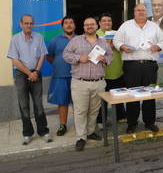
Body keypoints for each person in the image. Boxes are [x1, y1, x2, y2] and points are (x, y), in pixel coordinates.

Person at [113, 4, 163, 134]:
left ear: (146, 12)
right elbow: (116, 40)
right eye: (138, 10)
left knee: (149, 94)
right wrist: (122, 47)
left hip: (150, 65)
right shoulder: (126, 25)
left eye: (143, 10)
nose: (141, 12)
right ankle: (132, 123)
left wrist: (158, 47)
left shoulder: (154, 26)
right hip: (131, 66)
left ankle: (150, 123)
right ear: (134, 12)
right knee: (132, 95)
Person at [63, 17, 113, 151]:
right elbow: (65, 55)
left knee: (94, 110)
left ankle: (90, 132)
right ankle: (81, 137)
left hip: (98, 82)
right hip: (80, 82)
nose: (89, 26)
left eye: (92, 24)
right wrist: (79, 58)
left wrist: (105, 59)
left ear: (97, 26)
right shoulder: (75, 41)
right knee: (80, 111)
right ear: (84, 27)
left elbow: (110, 57)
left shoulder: (103, 42)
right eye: (86, 25)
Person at [7, 14, 52, 145]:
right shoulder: (15, 39)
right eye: (26, 23)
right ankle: (27, 133)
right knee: (24, 105)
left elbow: (42, 55)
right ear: (21, 24)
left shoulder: (39, 37)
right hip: (21, 74)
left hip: (36, 73)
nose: (29, 25)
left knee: (38, 104)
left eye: (31, 23)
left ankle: (43, 131)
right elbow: (15, 60)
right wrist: (29, 73)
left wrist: (36, 71)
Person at [47, 16, 76, 136]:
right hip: (60, 76)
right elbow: (49, 56)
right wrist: (60, 64)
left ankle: (79, 125)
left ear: (74, 25)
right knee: (62, 102)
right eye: (66, 23)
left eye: (71, 22)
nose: (69, 25)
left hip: (77, 76)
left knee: (79, 102)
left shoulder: (80, 39)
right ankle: (62, 125)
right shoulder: (55, 40)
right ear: (62, 26)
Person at [96, 13, 126, 125]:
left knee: (118, 95)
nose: (107, 23)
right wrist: (109, 47)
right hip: (102, 73)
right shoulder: (95, 35)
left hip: (117, 70)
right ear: (99, 23)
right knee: (102, 99)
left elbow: (123, 48)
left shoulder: (117, 34)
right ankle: (101, 119)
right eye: (104, 21)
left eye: (109, 20)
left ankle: (120, 116)